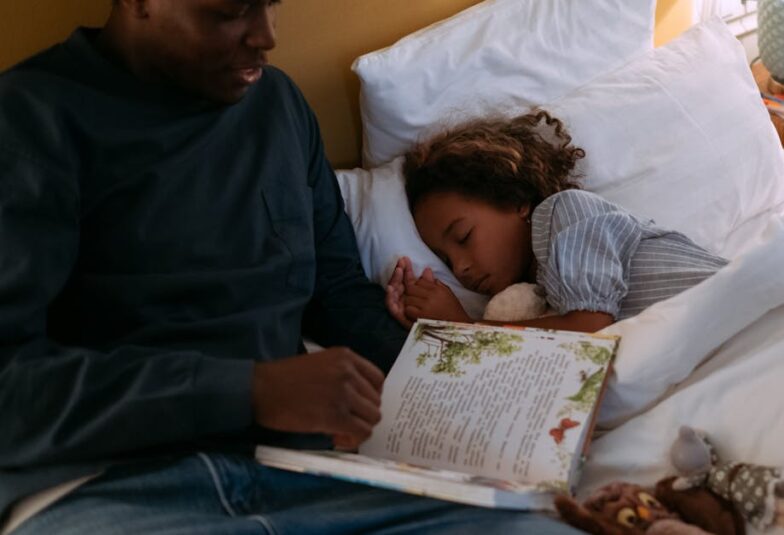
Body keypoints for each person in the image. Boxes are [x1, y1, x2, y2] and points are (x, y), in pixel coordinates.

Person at [0, 1, 582, 533]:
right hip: (111, 489)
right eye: (231, 11)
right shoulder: (31, 120)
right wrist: (248, 391)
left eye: (272, 4)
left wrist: (471, 386)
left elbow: (336, 296)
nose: (267, 36)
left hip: (303, 474)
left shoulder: (277, 106)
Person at [386, 111, 729, 333]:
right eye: (445, 260)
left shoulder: (565, 214)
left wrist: (461, 325)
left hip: (731, 310)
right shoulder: (535, 299)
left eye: (463, 237)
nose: (460, 268)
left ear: (515, 200)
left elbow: (591, 327)